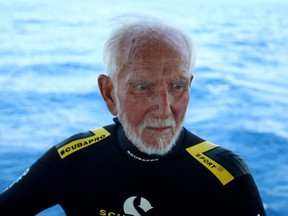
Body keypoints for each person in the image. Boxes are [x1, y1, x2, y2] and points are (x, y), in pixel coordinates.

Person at [0, 15, 266, 216]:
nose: (164, 108)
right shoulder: (72, 159)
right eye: (143, 87)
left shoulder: (226, 174)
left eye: (177, 86)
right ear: (109, 93)